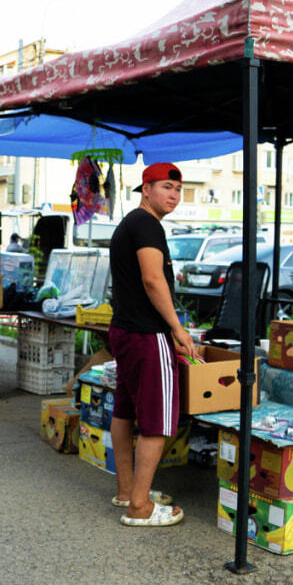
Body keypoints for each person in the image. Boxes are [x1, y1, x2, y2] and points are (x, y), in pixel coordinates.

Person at [107, 162, 199, 527]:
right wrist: (177, 329)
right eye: (166, 187)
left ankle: (128, 491)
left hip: (125, 331)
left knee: (124, 412)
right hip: (147, 335)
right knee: (159, 421)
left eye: (178, 189)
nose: (173, 195)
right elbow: (152, 279)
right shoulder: (147, 224)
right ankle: (140, 507)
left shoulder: (131, 222)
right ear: (146, 189)